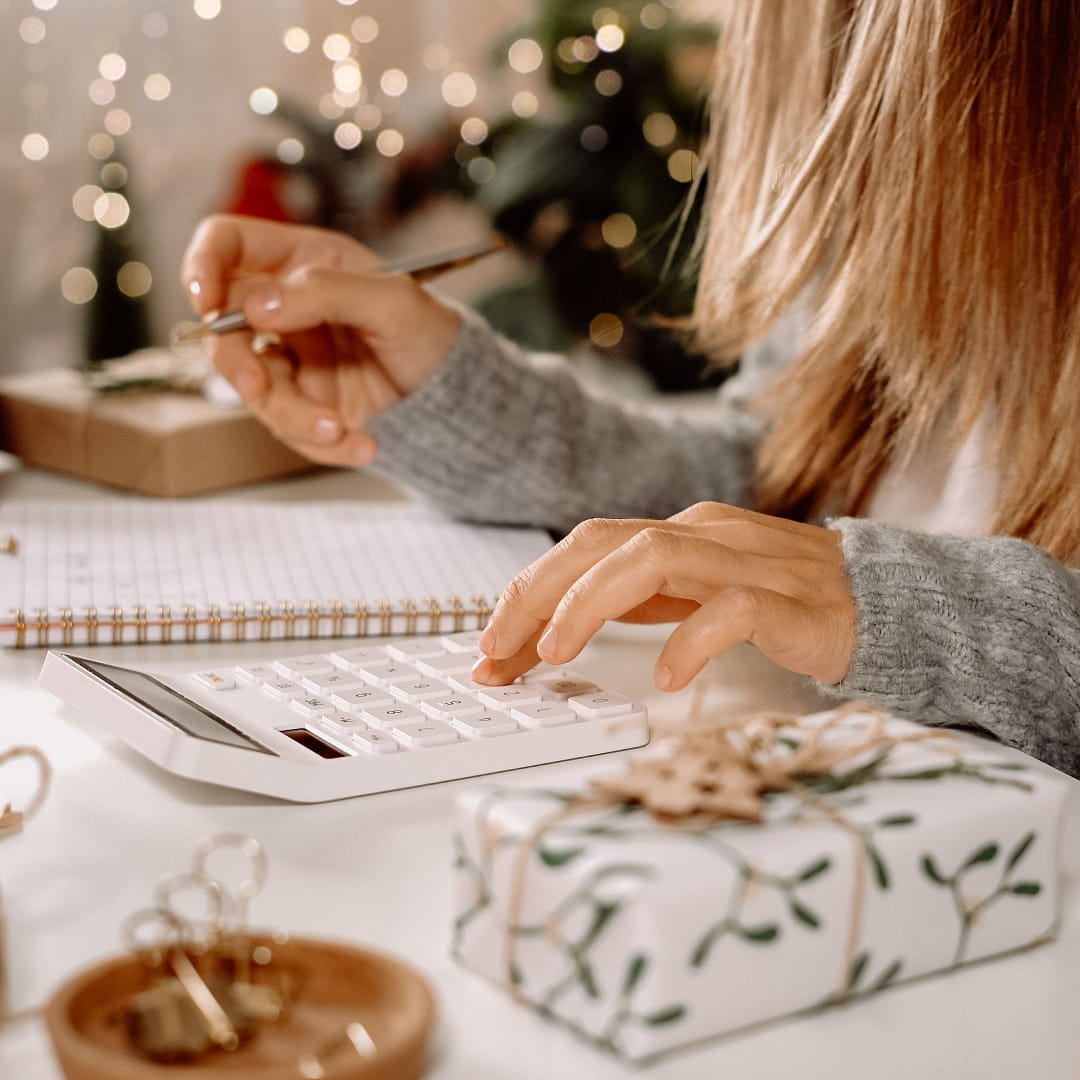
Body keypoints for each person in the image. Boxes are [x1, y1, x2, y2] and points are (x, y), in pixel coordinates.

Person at [182, 0, 1080, 777]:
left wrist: (909, 608)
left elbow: (833, 564)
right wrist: (445, 388)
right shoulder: (867, 117)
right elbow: (775, 475)